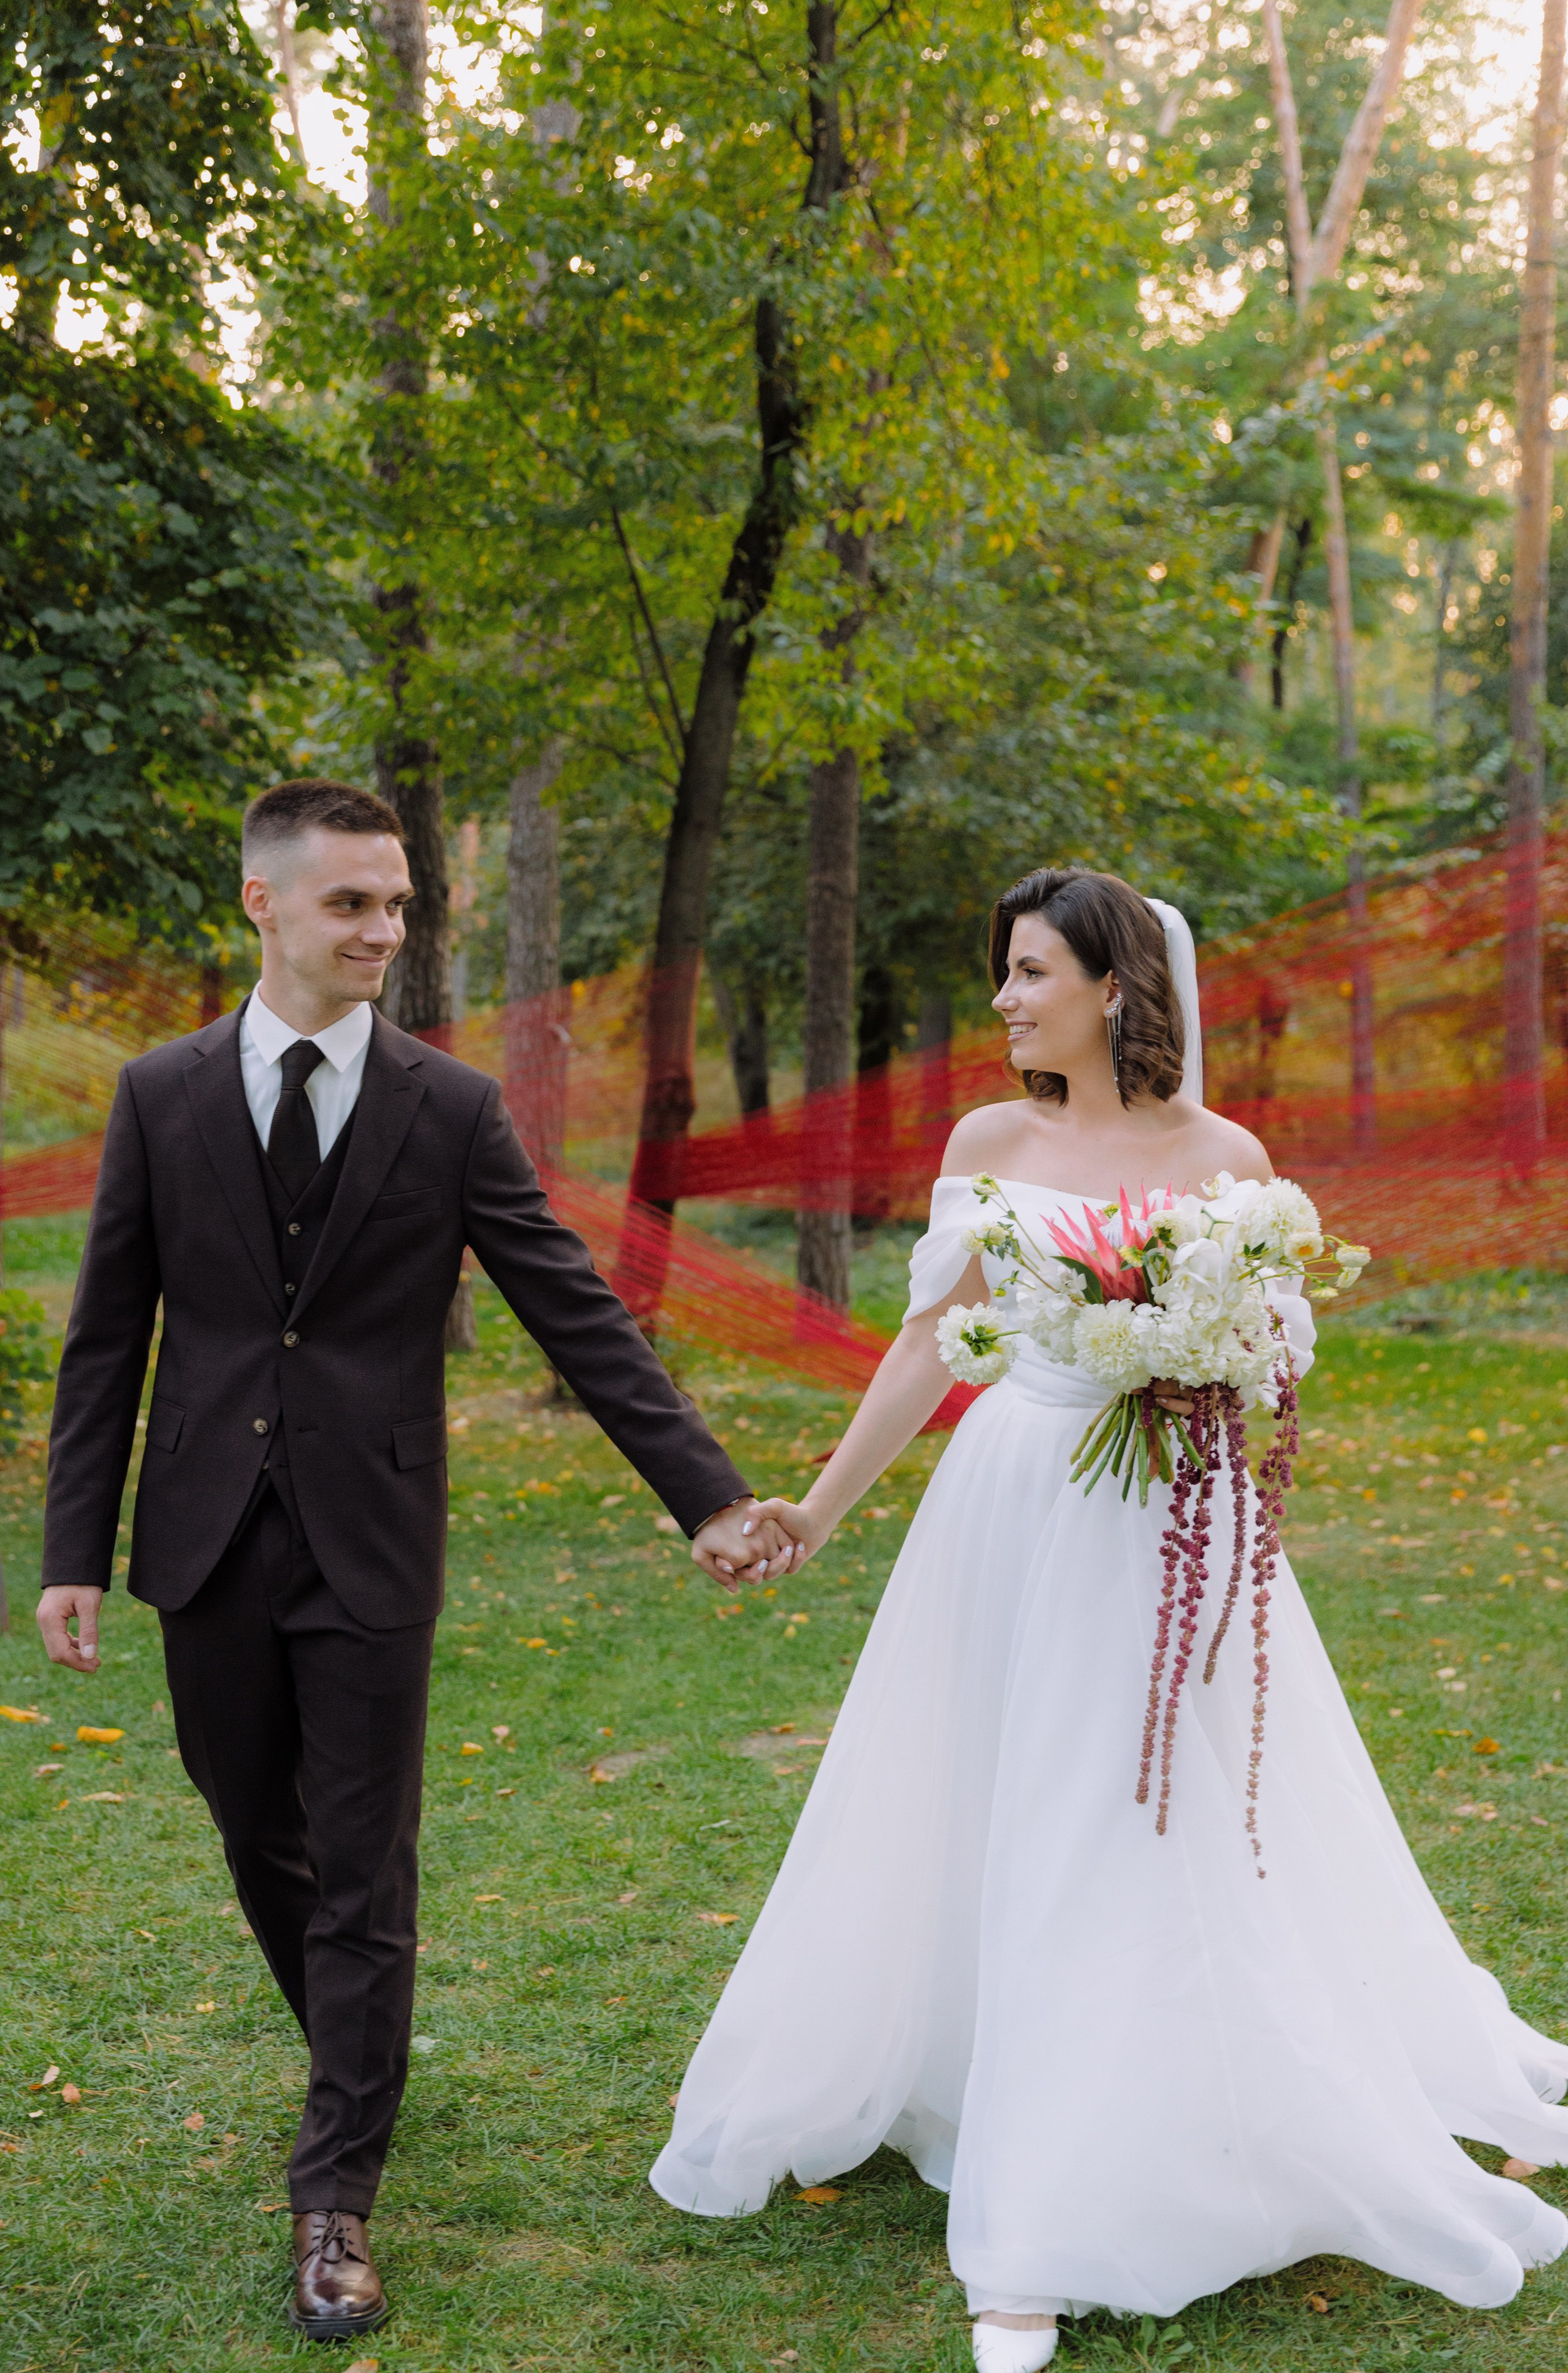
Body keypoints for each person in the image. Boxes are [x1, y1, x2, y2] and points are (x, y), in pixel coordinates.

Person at [651, 867, 1568, 2364]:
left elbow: (1272, 1354)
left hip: (1170, 1522)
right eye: (1003, 971)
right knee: (996, 1794)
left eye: (1029, 972)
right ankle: (995, 2084)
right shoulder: (989, 1143)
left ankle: (1074, 2190)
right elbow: (929, 1342)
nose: (1004, 1000)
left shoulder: (1229, 1159)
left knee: (1138, 1813)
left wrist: (1204, 1367)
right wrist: (817, 1507)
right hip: (1012, 1504)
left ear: (1115, 987)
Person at [36, 778, 797, 2344]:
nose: (385, 929)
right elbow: (108, 1335)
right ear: (263, 902)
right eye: (353, 902)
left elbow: (569, 1303)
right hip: (204, 1531)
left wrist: (704, 1493)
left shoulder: (446, 1108)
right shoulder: (160, 1094)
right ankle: (356, 2051)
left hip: (373, 1538)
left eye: (397, 903)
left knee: (365, 1858)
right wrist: (73, 1550)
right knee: (254, 1823)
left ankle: (336, 2193)